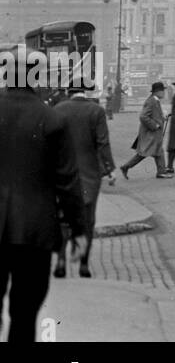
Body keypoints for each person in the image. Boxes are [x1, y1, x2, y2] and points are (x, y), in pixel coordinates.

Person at [0, 47, 88, 342]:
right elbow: (68, 181)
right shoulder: (51, 119)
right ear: (36, 78)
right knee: (24, 315)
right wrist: (79, 229)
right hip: (35, 232)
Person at [49, 88, 115, 279]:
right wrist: (110, 169)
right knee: (87, 220)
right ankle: (83, 265)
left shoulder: (58, 109)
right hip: (89, 175)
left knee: (62, 220)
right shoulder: (96, 111)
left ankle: (61, 261)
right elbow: (103, 143)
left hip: (62, 174)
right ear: (87, 91)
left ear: (69, 91)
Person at [121, 81, 172, 178]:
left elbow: (154, 115)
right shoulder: (151, 101)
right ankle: (126, 167)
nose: (164, 93)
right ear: (157, 92)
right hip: (150, 134)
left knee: (158, 151)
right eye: (162, 91)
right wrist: (155, 125)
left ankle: (161, 172)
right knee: (144, 153)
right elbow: (143, 116)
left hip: (153, 134)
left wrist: (162, 118)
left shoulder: (155, 100)